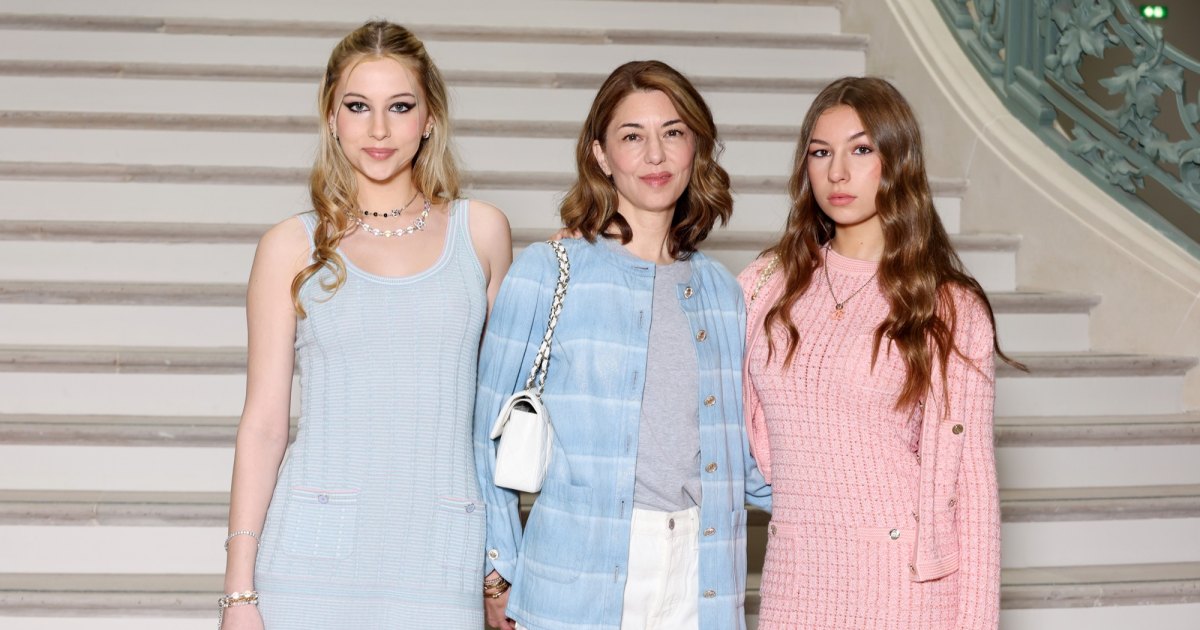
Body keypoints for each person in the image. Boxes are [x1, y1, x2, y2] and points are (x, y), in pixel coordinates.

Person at [219, 21, 511, 630]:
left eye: (400, 106)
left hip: (442, 554)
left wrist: (498, 561)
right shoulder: (290, 246)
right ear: (331, 117)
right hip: (309, 560)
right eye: (358, 107)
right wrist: (239, 593)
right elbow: (265, 425)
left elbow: (495, 420)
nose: (379, 130)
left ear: (429, 118)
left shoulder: (481, 232)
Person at [473, 60, 771, 630]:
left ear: (696, 148)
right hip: (576, 574)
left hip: (703, 573)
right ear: (601, 155)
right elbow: (483, 432)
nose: (655, 155)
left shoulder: (721, 292)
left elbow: (742, 452)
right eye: (632, 137)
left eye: (673, 132)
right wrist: (498, 566)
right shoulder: (547, 272)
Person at [740, 76, 1015, 629]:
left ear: (897, 161)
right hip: (794, 579)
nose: (837, 173)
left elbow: (974, 491)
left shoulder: (948, 306)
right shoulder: (766, 284)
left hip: (901, 588)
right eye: (821, 153)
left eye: (861, 150)